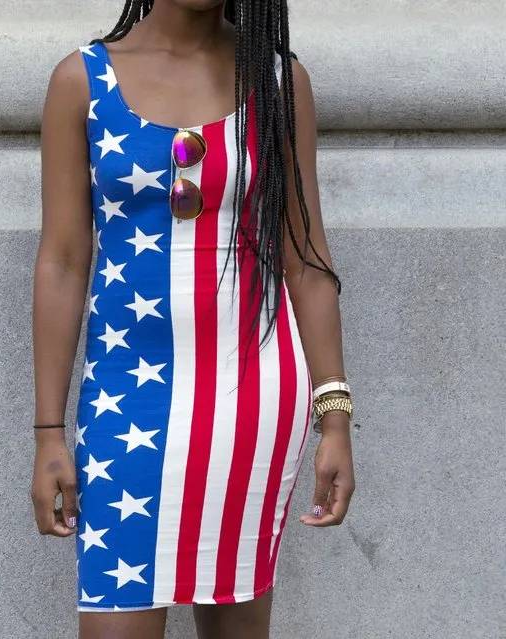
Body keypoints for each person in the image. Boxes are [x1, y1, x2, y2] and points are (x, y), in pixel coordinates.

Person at [31, 1, 356, 637]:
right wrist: (48, 434)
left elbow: (306, 262)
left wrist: (334, 418)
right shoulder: (81, 80)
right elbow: (64, 263)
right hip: (126, 399)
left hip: (250, 398)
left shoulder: (277, 81)